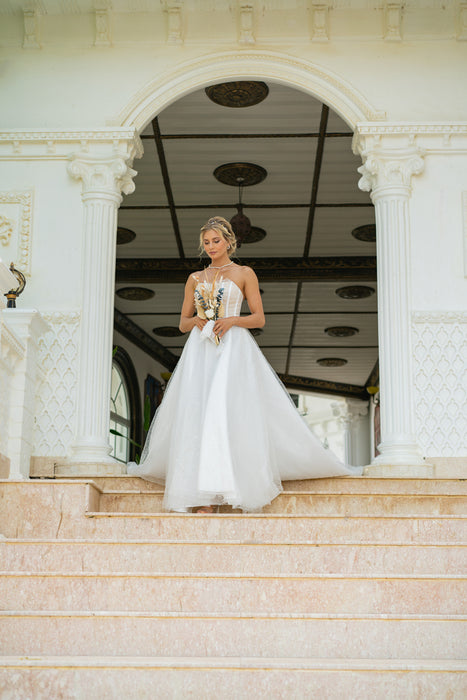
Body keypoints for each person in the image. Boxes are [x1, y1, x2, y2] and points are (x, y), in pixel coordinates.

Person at [127, 216, 360, 513]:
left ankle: (236, 487)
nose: (211, 247)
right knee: (198, 414)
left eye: (216, 241)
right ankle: (201, 496)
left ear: (228, 242)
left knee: (229, 413)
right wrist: (197, 321)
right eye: (206, 242)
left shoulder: (244, 273)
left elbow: (259, 319)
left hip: (233, 349)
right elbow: (182, 323)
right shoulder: (195, 279)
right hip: (200, 351)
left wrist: (233, 320)